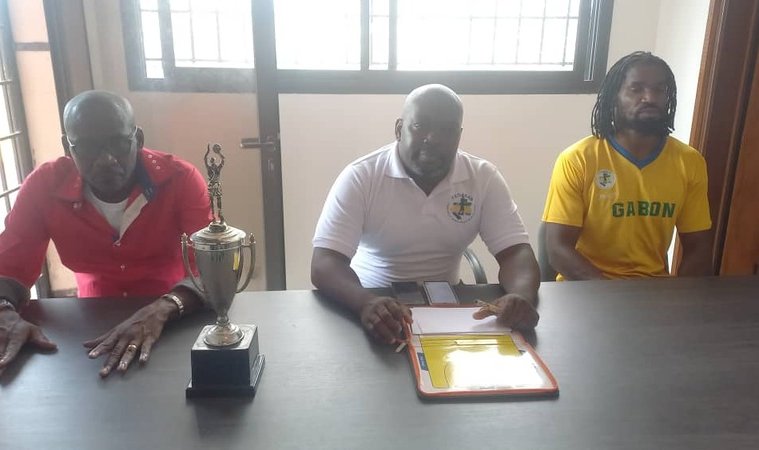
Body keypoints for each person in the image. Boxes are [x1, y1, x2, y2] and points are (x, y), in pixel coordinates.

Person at [0, 90, 212, 377]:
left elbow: (212, 267)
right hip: (88, 327)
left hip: (174, 318)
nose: (106, 159)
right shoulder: (44, 186)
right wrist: (3, 310)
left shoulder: (180, 179)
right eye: (88, 147)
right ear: (67, 147)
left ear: (138, 139)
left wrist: (165, 307)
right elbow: (10, 264)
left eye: (118, 143)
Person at [311, 84, 540, 345]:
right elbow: (325, 263)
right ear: (399, 129)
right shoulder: (361, 176)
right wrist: (366, 302)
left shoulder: (483, 178)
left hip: (447, 309)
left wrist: (521, 297)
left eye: (447, 129)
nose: (433, 138)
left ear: (459, 135)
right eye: (420, 126)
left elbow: (516, 253)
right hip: (370, 302)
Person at [542, 51, 713, 280]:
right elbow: (558, 250)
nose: (649, 97)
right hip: (586, 289)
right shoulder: (578, 159)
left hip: (652, 289)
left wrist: (679, 296)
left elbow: (699, 248)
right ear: (615, 97)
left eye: (659, 89)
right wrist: (612, 295)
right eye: (636, 89)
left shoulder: (689, 161)